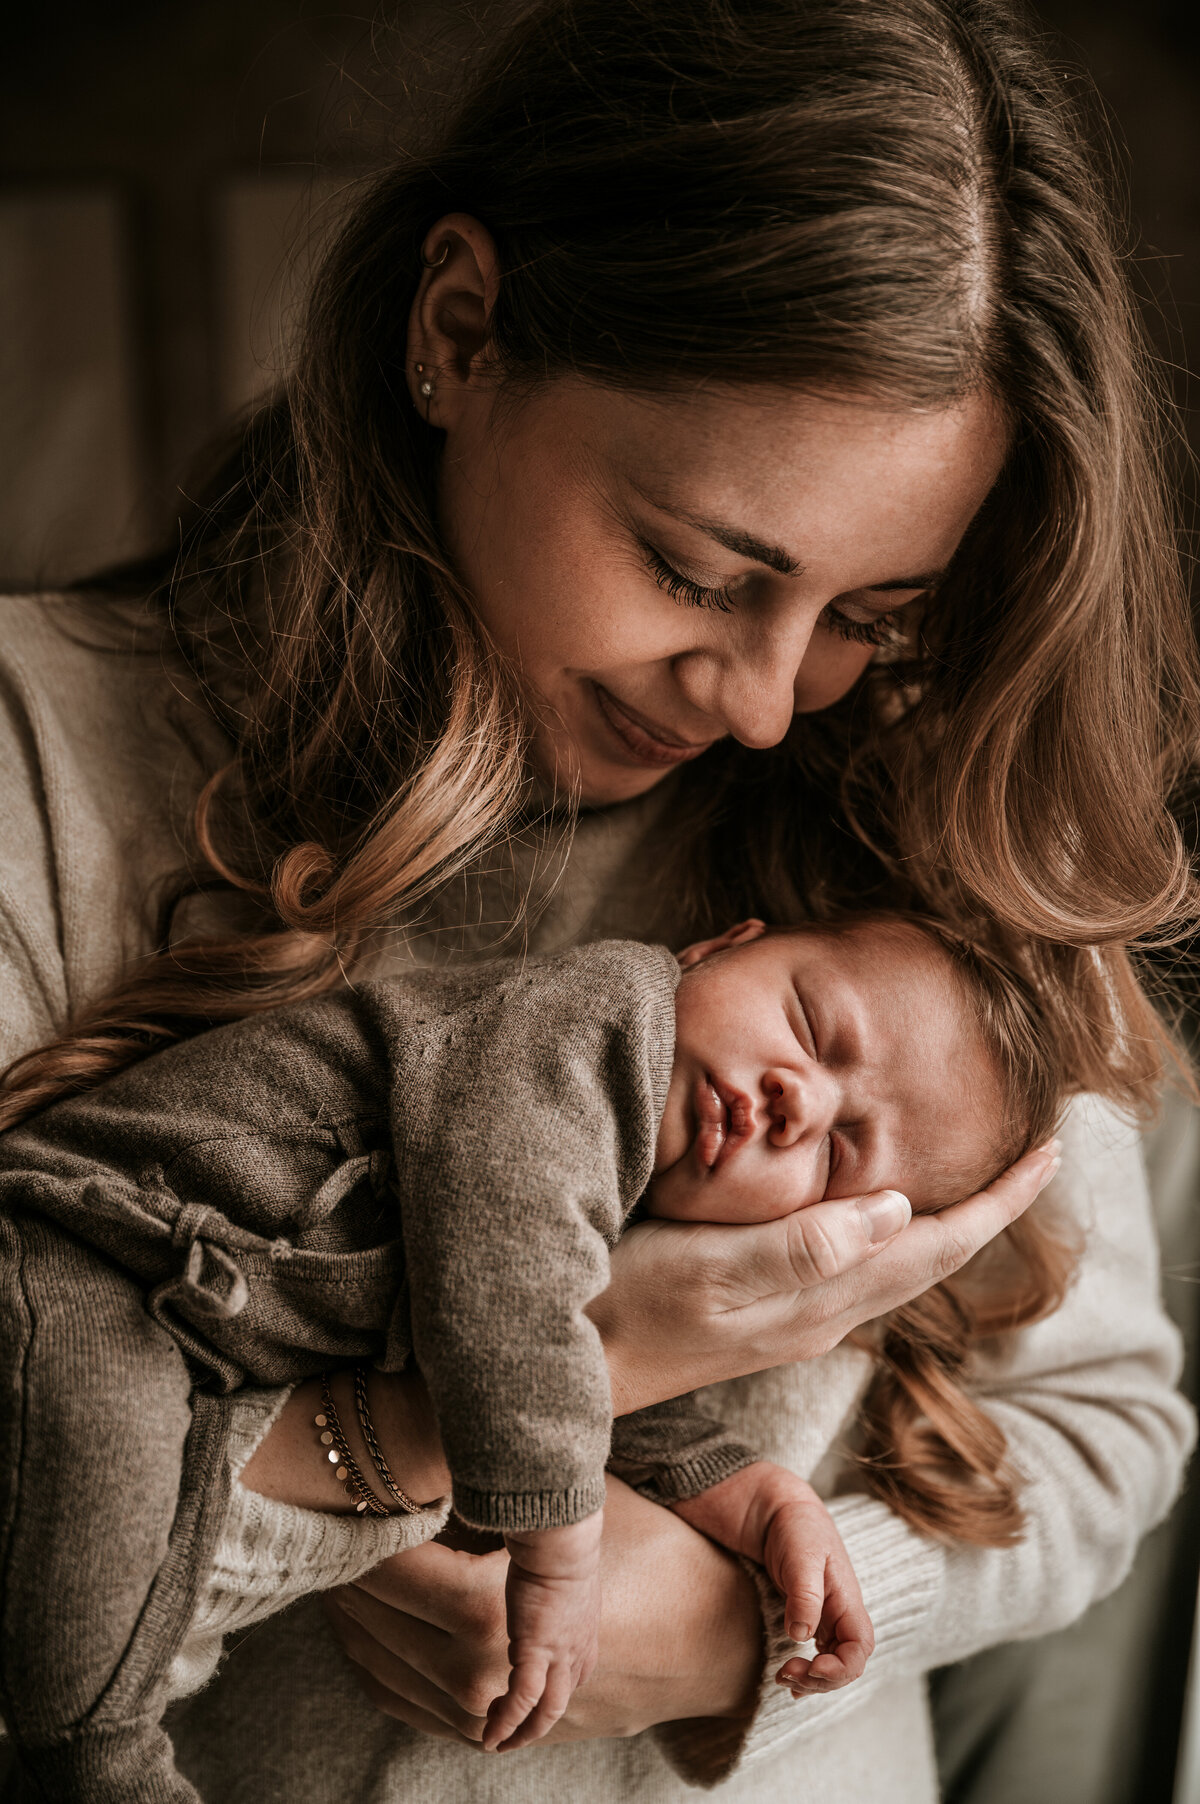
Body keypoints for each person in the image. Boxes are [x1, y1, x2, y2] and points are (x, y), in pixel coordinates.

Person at [0, 0, 1195, 1799]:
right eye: (700, 567)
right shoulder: (46, 751)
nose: (767, 697)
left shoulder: (929, 835)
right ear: (459, 329)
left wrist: (747, 1632)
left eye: (873, 614)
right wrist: (495, 1408)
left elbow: (1105, 1428)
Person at [0, 908, 1093, 1780]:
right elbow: (506, 1262)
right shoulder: (597, 1022)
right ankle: (93, 1759)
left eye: (841, 1155)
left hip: (182, 1321)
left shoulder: (622, 1193)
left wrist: (742, 1491)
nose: (791, 1102)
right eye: (810, 1024)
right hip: (97, 1249)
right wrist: (559, 1546)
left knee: (139, 1490)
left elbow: (562, 1353)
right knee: (100, 1472)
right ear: (722, 945)